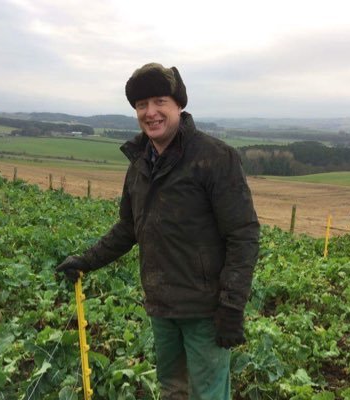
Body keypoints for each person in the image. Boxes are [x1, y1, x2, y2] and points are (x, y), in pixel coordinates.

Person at [56, 62, 260, 400]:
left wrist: (232, 306)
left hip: (205, 311)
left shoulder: (215, 158)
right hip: (161, 307)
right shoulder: (140, 163)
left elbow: (244, 234)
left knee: (207, 394)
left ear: (179, 104)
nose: (150, 112)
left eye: (159, 101)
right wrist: (86, 260)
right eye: (141, 105)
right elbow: (128, 227)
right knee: (172, 390)